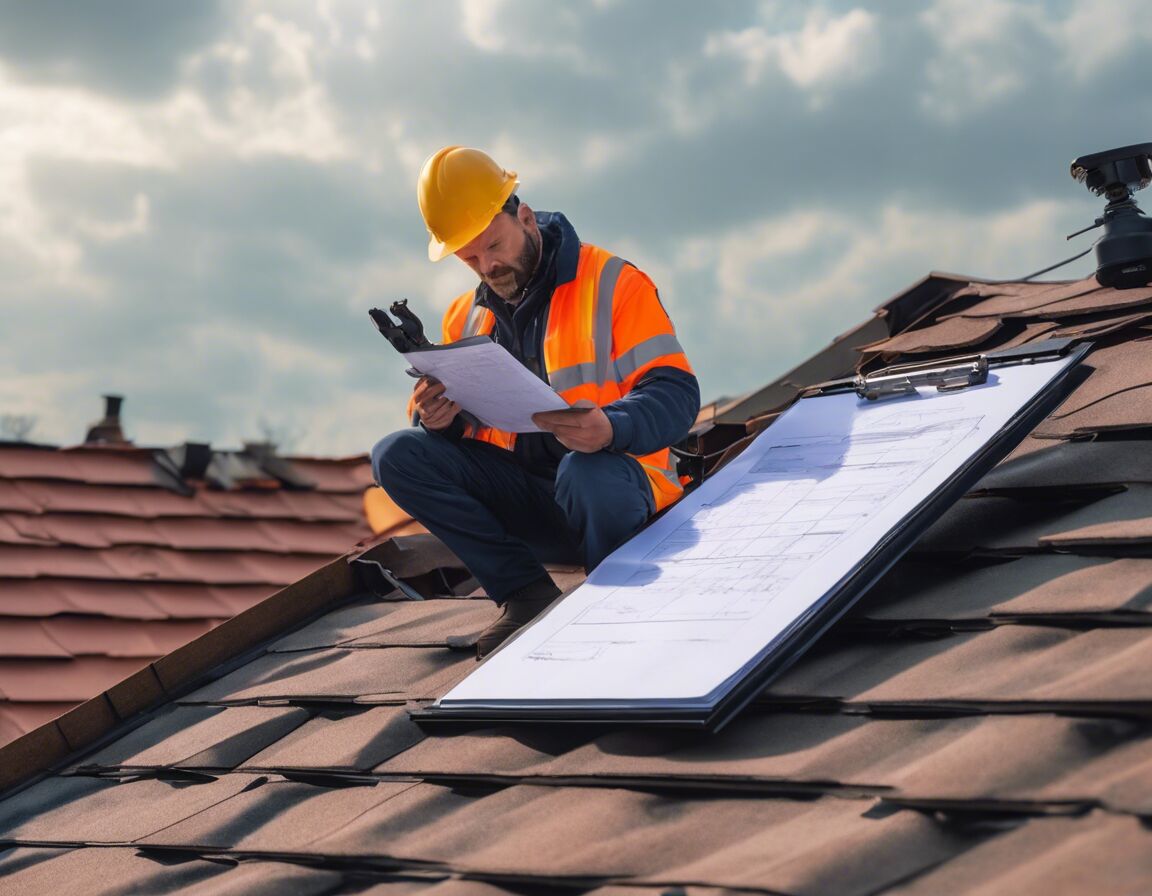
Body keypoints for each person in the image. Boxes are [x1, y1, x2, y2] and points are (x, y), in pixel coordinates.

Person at [371, 146, 700, 656]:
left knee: (585, 472)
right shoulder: (464, 318)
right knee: (396, 454)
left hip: (619, 496)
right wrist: (440, 422)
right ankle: (525, 596)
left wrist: (611, 427)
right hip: (533, 506)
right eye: (470, 258)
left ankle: (613, 603)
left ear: (524, 218)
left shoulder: (613, 281)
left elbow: (677, 394)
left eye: (494, 246)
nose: (487, 266)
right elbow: (479, 432)